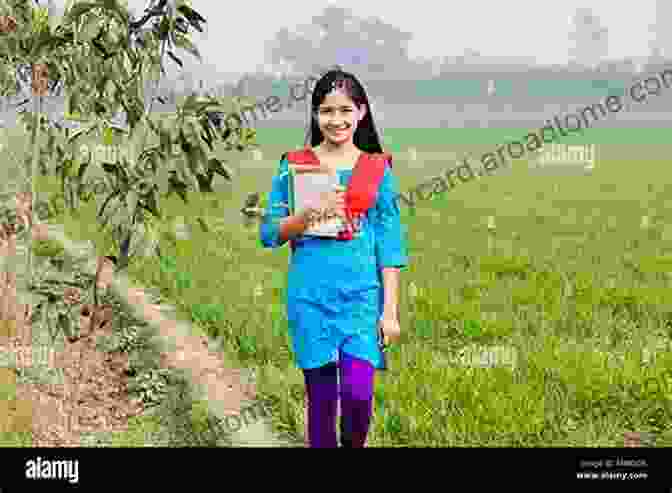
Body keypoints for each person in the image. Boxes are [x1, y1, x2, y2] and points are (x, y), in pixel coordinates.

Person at [259, 68, 408, 447]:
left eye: (345, 110)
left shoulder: (378, 169)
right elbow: (269, 233)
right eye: (327, 111)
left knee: (359, 397)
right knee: (322, 403)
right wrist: (311, 212)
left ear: (361, 112)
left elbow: (389, 247)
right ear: (315, 115)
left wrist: (389, 312)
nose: (336, 120)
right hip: (310, 299)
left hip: (360, 300)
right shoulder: (293, 166)